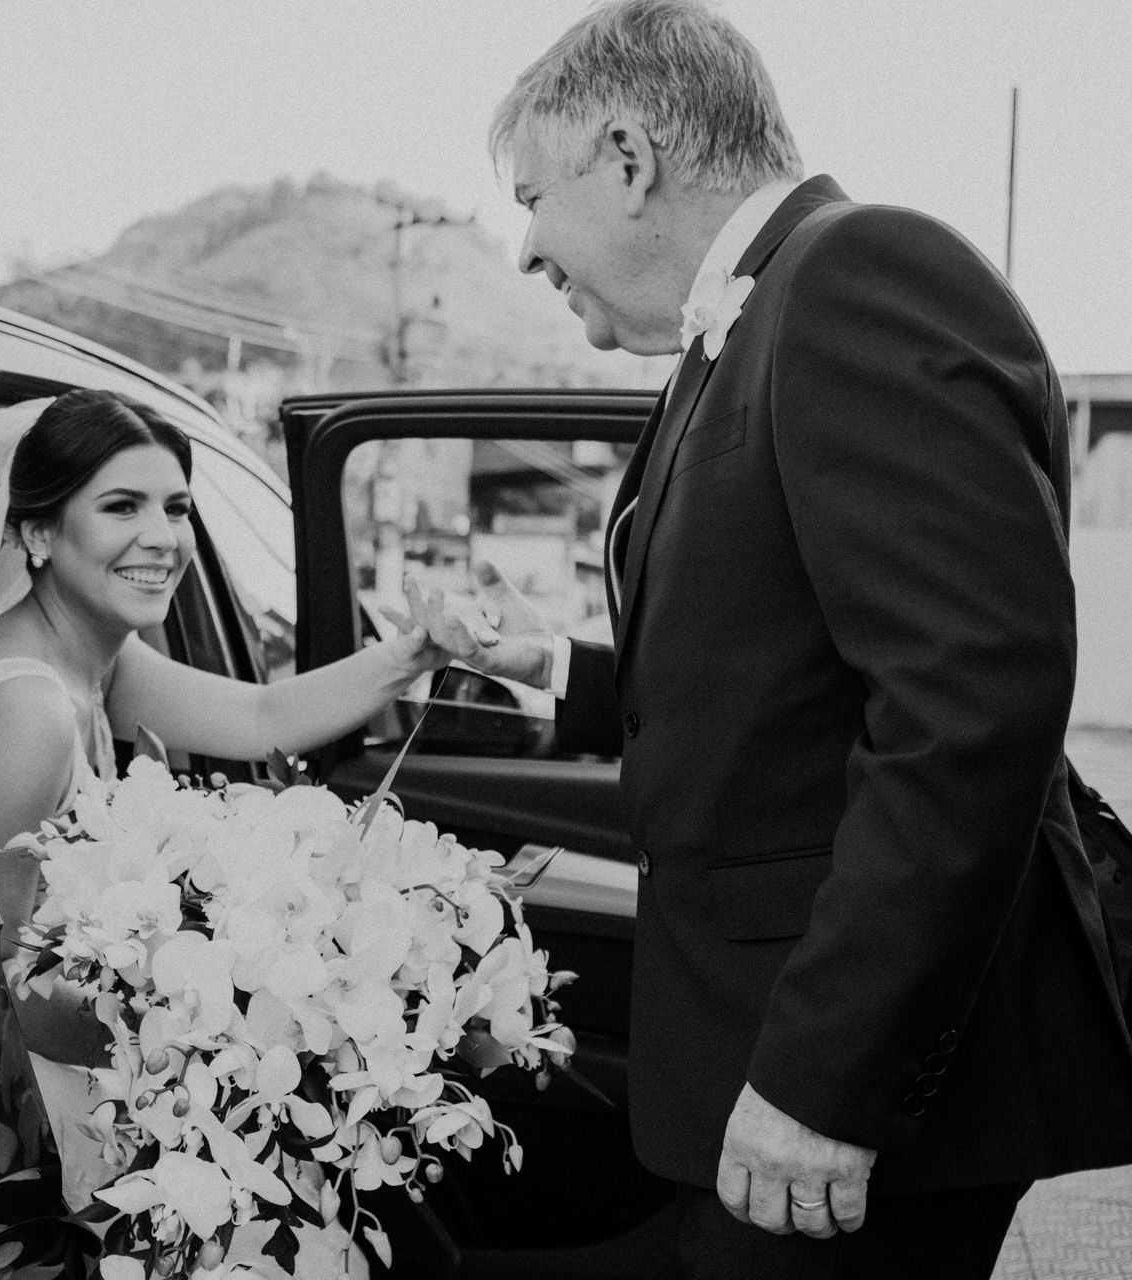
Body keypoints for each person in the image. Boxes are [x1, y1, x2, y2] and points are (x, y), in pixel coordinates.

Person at [403, 2, 1132, 1274]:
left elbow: (966, 711)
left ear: (629, 158)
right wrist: (557, 669)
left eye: (532, 198)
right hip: (755, 1040)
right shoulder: (738, 328)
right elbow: (780, 675)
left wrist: (822, 1083)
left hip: (863, 1078)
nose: (524, 250)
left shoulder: (863, 276)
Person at [0, 388, 447, 1272]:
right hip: (35, 1106)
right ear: (39, 533)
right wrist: (229, 1019)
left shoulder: (93, 656)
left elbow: (261, 713)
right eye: (122, 506)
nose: (163, 535)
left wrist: (413, 652)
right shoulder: (25, 710)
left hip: (104, 1068)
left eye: (177, 508)